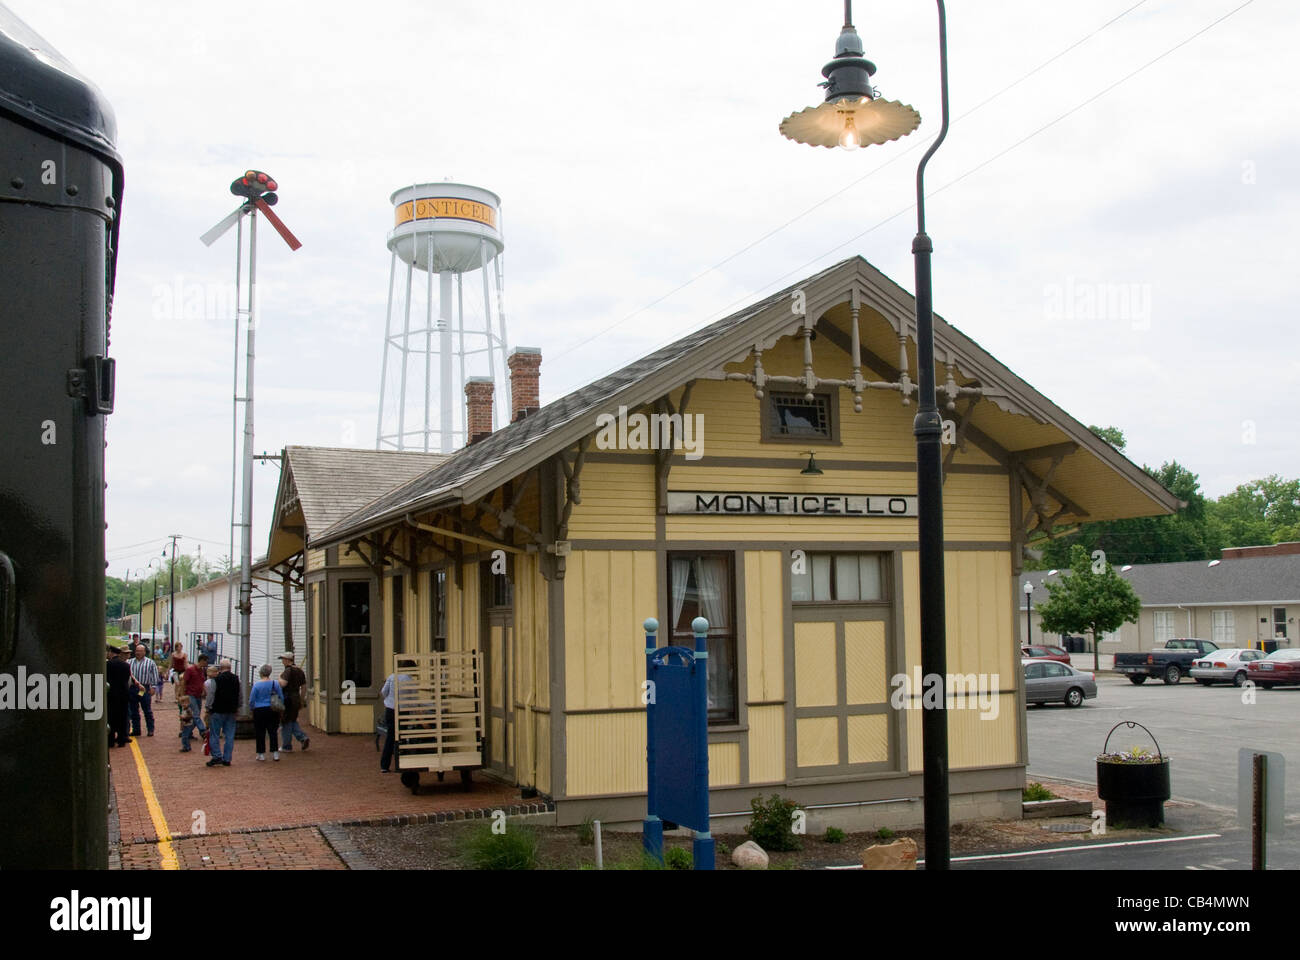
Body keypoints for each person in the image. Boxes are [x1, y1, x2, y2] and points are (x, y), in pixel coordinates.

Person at [206, 659, 240, 767]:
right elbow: (240, 695)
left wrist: (208, 707)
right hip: (231, 710)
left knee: (215, 734)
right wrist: (238, 707)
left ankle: (217, 756)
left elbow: (211, 695)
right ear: (230, 668)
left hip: (217, 709)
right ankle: (227, 758)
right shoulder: (236, 679)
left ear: (220, 668)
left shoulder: (216, 680)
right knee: (229, 735)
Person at [379, 671, 413, 774]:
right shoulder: (410, 680)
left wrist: (390, 700)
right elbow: (413, 697)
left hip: (390, 709)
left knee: (390, 737)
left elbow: (383, 692)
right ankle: (401, 764)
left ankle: (384, 765)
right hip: (403, 710)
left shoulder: (392, 677)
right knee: (402, 737)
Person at [277, 651, 309, 752]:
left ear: (287, 660)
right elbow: (304, 687)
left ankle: (287, 746)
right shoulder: (300, 671)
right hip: (296, 697)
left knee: (285, 720)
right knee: (292, 719)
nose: (282, 661)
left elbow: (283, 684)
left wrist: (279, 678)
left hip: (287, 698)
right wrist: (302, 699)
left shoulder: (287, 671)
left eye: (283, 659)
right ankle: (302, 737)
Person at [249, 664, 282, 761]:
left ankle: (261, 753)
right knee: (273, 731)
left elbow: (252, 699)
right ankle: (275, 753)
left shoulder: (257, 685)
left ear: (260, 673)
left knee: (260, 731)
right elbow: (281, 696)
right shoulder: (275, 684)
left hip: (259, 710)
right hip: (272, 709)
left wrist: (252, 708)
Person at [127, 644, 159, 737]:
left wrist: (153, 687)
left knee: (147, 710)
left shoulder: (150, 662)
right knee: (133, 710)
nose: (138, 653)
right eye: (137, 651)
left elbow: (155, 675)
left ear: (144, 652)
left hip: (144, 688)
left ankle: (150, 729)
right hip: (133, 688)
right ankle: (136, 729)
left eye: (140, 651)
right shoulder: (130, 662)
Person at [180, 654, 209, 752]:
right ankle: (203, 730)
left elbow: (202, 682)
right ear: (201, 661)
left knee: (193, 716)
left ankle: (187, 733)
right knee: (196, 714)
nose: (206, 664)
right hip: (191, 694)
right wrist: (183, 695)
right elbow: (184, 681)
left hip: (198, 695)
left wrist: (204, 691)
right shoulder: (190, 670)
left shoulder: (201, 671)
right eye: (205, 662)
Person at [105, 643, 132, 748]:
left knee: (110, 717)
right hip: (123, 695)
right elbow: (127, 681)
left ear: (111, 653)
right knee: (122, 717)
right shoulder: (126, 665)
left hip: (111, 695)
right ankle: (121, 739)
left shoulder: (107, 665)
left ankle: (110, 740)